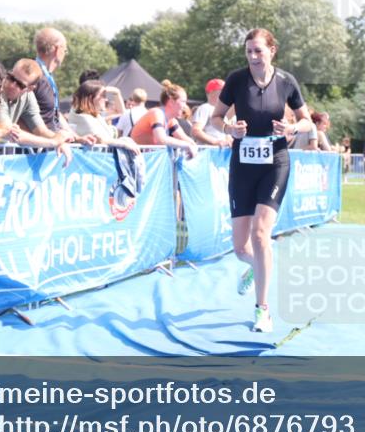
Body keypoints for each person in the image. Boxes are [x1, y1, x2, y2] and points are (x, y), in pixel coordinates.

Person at [208, 28, 312, 333]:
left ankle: (262, 310)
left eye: (259, 51)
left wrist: (292, 129)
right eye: (249, 51)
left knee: (261, 233)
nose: (253, 57)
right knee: (241, 248)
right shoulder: (237, 80)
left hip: (275, 162)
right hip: (243, 163)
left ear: (272, 51)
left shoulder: (286, 81)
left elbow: (306, 119)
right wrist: (229, 130)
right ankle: (258, 266)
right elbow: (215, 118)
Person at [0, 58, 77, 165]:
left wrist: (60, 140)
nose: (12, 85)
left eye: (20, 85)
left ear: (30, 88)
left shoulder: (28, 96)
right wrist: (53, 142)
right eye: (11, 78)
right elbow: (8, 132)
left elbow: (40, 130)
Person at [130, 80, 198, 158]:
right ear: (172, 102)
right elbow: (160, 139)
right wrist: (186, 145)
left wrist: (193, 145)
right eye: (183, 102)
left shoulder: (171, 120)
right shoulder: (156, 113)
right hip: (136, 160)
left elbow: (186, 139)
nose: (185, 106)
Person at [33, 27, 71, 135]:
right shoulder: (33, 75)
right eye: (65, 50)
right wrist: (54, 137)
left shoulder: (46, 75)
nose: (65, 54)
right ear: (57, 49)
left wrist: (76, 137)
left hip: (51, 141)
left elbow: (54, 113)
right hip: (38, 146)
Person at [191, 79, 233, 147]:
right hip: (208, 153)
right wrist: (216, 142)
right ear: (211, 92)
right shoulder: (205, 108)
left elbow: (226, 135)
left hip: (220, 153)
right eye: (222, 91)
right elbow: (196, 131)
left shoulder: (223, 111)